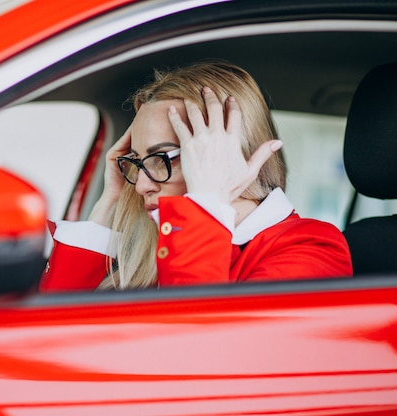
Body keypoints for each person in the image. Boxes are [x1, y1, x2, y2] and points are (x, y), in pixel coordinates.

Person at [40, 61, 352, 291]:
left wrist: (205, 203)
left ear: (227, 156)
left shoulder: (311, 248)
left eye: (164, 158)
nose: (143, 185)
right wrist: (107, 208)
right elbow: (49, 341)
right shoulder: (156, 243)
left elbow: (194, 353)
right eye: (136, 162)